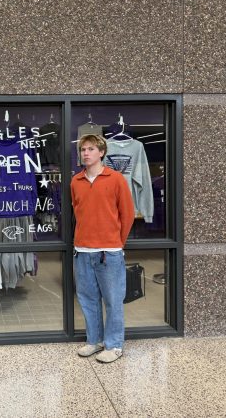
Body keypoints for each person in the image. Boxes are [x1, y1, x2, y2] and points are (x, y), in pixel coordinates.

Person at [71, 134, 134, 363]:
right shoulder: (75, 181)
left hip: (109, 252)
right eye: (83, 149)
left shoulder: (115, 179)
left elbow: (127, 215)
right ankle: (95, 341)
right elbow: (78, 212)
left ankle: (115, 345)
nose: (85, 153)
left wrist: (116, 242)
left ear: (101, 152)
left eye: (90, 149)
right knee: (88, 298)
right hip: (82, 250)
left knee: (113, 299)